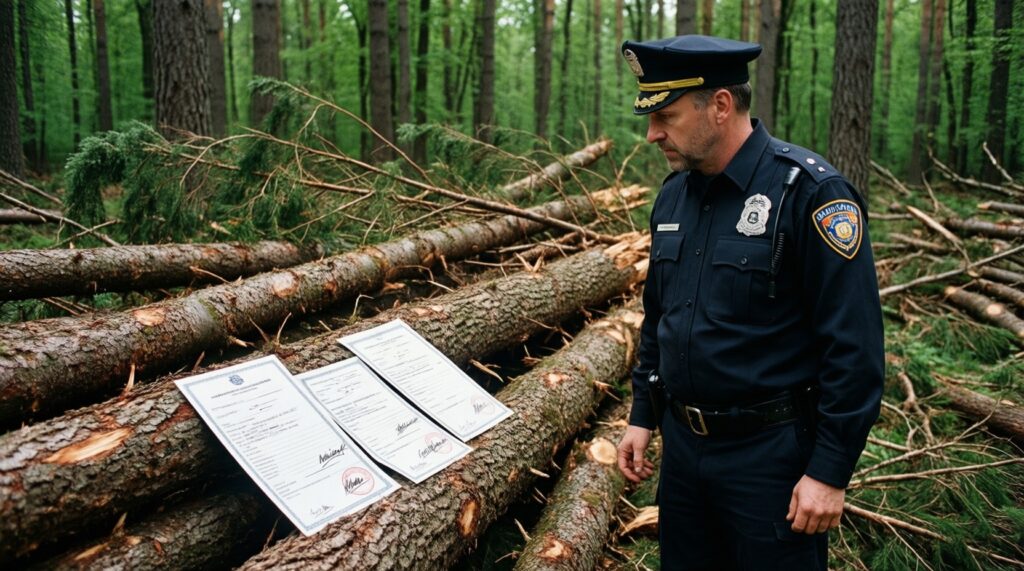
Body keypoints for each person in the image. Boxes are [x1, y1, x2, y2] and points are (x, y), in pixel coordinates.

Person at [615, 35, 884, 570]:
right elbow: (660, 320)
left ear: (719, 105)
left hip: (772, 461)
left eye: (665, 115)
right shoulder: (673, 196)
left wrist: (829, 472)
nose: (652, 134)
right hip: (684, 457)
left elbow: (854, 349)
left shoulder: (809, 193)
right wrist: (643, 414)